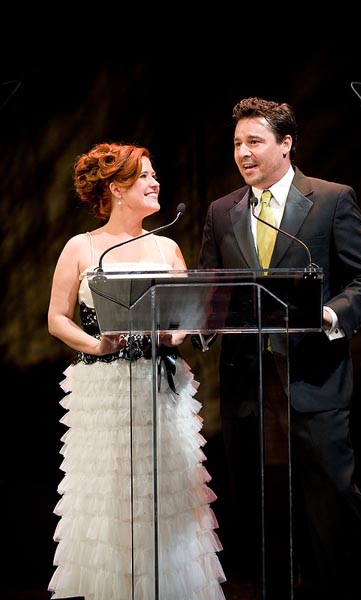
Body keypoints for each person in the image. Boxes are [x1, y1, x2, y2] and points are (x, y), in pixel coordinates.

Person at [195, 97, 361, 599]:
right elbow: (210, 292)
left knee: (331, 501)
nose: (243, 153)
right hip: (246, 387)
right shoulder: (221, 211)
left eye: (254, 142)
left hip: (313, 379)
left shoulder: (330, 199)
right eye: (237, 143)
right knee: (259, 508)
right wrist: (195, 326)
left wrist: (329, 313)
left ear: (286, 144)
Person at [47, 141, 226, 600]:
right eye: (145, 176)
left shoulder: (167, 247)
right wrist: (96, 344)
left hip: (159, 385)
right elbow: (56, 318)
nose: (155, 182)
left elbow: (187, 317)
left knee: (164, 491)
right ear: (116, 189)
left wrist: (175, 335)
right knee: (110, 494)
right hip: (102, 386)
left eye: (154, 174)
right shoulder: (81, 247)